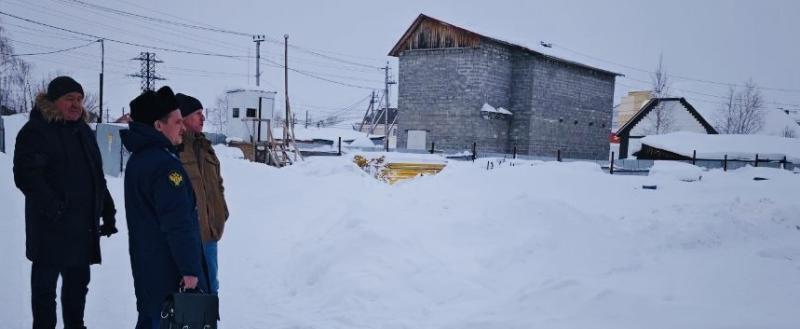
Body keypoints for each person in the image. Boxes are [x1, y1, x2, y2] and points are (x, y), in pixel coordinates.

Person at [13, 76, 117, 329]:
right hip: (50, 230)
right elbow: (26, 176)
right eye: (69, 98)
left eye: (79, 99)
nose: (76, 104)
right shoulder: (36, 131)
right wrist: (55, 208)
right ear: (52, 101)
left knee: (77, 290)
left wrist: (107, 209)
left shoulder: (83, 131)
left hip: (81, 230)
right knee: (44, 293)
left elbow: (95, 175)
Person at [121, 86, 207, 329]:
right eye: (178, 121)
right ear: (159, 126)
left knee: (150, 317)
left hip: (148, 267)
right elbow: (178, 224)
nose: (182, 127)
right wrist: (190, 271)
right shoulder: (165, 166)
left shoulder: (140, 158)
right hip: (168, 272)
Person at [175, 93, 229, 295]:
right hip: (186, 236)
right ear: (184, 118)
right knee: (185, 292)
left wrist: (221, 212)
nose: (203, 118)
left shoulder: (206, 148)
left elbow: (218, 184)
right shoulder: (176, 149)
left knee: (211, 288)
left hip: (209, 234)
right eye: (198, 114)